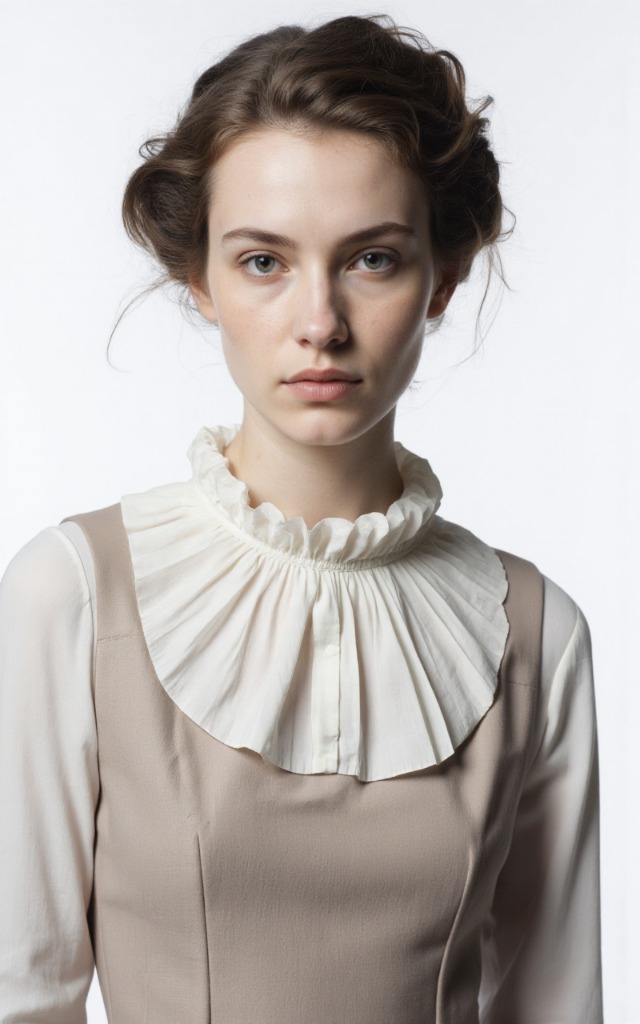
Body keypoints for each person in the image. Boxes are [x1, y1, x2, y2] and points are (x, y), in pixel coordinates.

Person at [0, 14, 602, 1023]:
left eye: (372, 259)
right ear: (199, 278)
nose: (318, 323)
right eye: (263, 262)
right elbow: (21, 993)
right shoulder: (75, 597)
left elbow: (558, 1005)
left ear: (443, 278)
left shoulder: (534, 634)